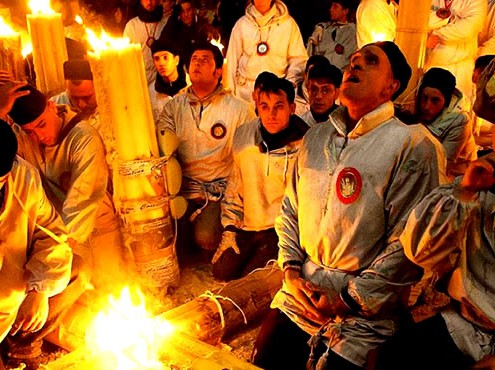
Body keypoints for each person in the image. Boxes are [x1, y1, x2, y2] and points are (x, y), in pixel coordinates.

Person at [251, 41, 446, 370]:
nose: (354, 65)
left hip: (364, 311)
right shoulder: (316, 137)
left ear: (392, 86)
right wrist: (291, 271)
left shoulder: (412, 145)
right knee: (261, 359)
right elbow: (290, 211)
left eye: (370, 62)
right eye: (353, 60)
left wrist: (346, 298)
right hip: (300, 293)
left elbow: (406, 245)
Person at [374, 125, 495, 370]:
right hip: (463, 324)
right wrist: (465, 191)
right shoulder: (482, 181)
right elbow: (419, 251)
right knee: (388, 355)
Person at [6, 84, 125, 289]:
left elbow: (82, 202)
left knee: (110, 291)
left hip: (95, 229)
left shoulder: (83, 137)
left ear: (52, 106)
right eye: (29, 131)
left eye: (42, 124)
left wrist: (54, 257)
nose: (39, 136)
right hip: (54, 234)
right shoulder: (23, 138)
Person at [0, 120, 89, 370]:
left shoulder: (22, 175)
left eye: (2, 179)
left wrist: (39, 291)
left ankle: (21, 346)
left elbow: (51, 233)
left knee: (77, 268)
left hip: (15, 283)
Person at [157, 41, 255, 257]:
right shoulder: (175, 106)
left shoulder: (238, 109)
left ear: (218, 71)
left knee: (206, 238)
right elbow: (162, 145)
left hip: (217, 192)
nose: (197, 64)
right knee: (167, 238)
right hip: (182, 188)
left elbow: (249, 160)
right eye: (194, 60)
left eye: (205, 60)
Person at [211, 74, 309, 281]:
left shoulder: (305, 145)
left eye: (279, 107)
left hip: (280, 229)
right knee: (221, 271)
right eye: (264, 106)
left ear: (292, 108)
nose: (271, 114)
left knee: (251, 280)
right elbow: (235, 185)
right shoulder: (245, 137)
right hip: (249, 226)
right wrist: (229, 229)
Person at [225, 0, 308, 105]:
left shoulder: (288, 25)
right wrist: (231, 98)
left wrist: (288, 85)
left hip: (277, 91)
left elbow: (298, 59)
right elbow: (231, 62)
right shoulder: (241, 25)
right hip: (245, 94)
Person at [416, 67, 477, 179]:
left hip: (455, 178)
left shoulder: (460, 121)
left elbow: (442, 167)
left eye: (435, 100)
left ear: (446, 102)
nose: (426, 106)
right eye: (424, 98)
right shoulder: (416, 108)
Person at [425, 0, 485, 103]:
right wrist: (450, 19)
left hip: (459, 68)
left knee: (457, 112)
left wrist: (436, 34)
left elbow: (469, 29)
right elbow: (421, 20)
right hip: (431, 64)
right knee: (428, 110)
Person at [157, 0, 215, 73]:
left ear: (193, 10)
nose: (186, 14)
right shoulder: (175, 27)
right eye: (182, 12)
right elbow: (162, 43)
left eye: (189, 10)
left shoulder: (203, 27)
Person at [123, 0, 170, 85]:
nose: (149, 2)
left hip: (162, 81)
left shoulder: (166, 24)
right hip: (139, 80)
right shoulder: (132, 26)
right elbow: (125, 58)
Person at [307, 0, 358, 71]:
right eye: (331, 6)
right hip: (320, 71)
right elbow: (315, 51)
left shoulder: (352, 31)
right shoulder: (325, 29)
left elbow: (347, 53)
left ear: (345, 11)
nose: (331, 9)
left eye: (335, 7)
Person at [149, 38, 189, 121]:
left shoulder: (192, 84)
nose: (161, 63)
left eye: (165, 57)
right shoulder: (151, 92)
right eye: (156, 59)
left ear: (176, 60)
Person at [301, 61, 342, 126]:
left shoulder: (346, 122)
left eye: (325, 91)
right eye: (314, 90)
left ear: (336, 93)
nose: (318, 96)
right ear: (308, 90)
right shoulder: (300, 124)